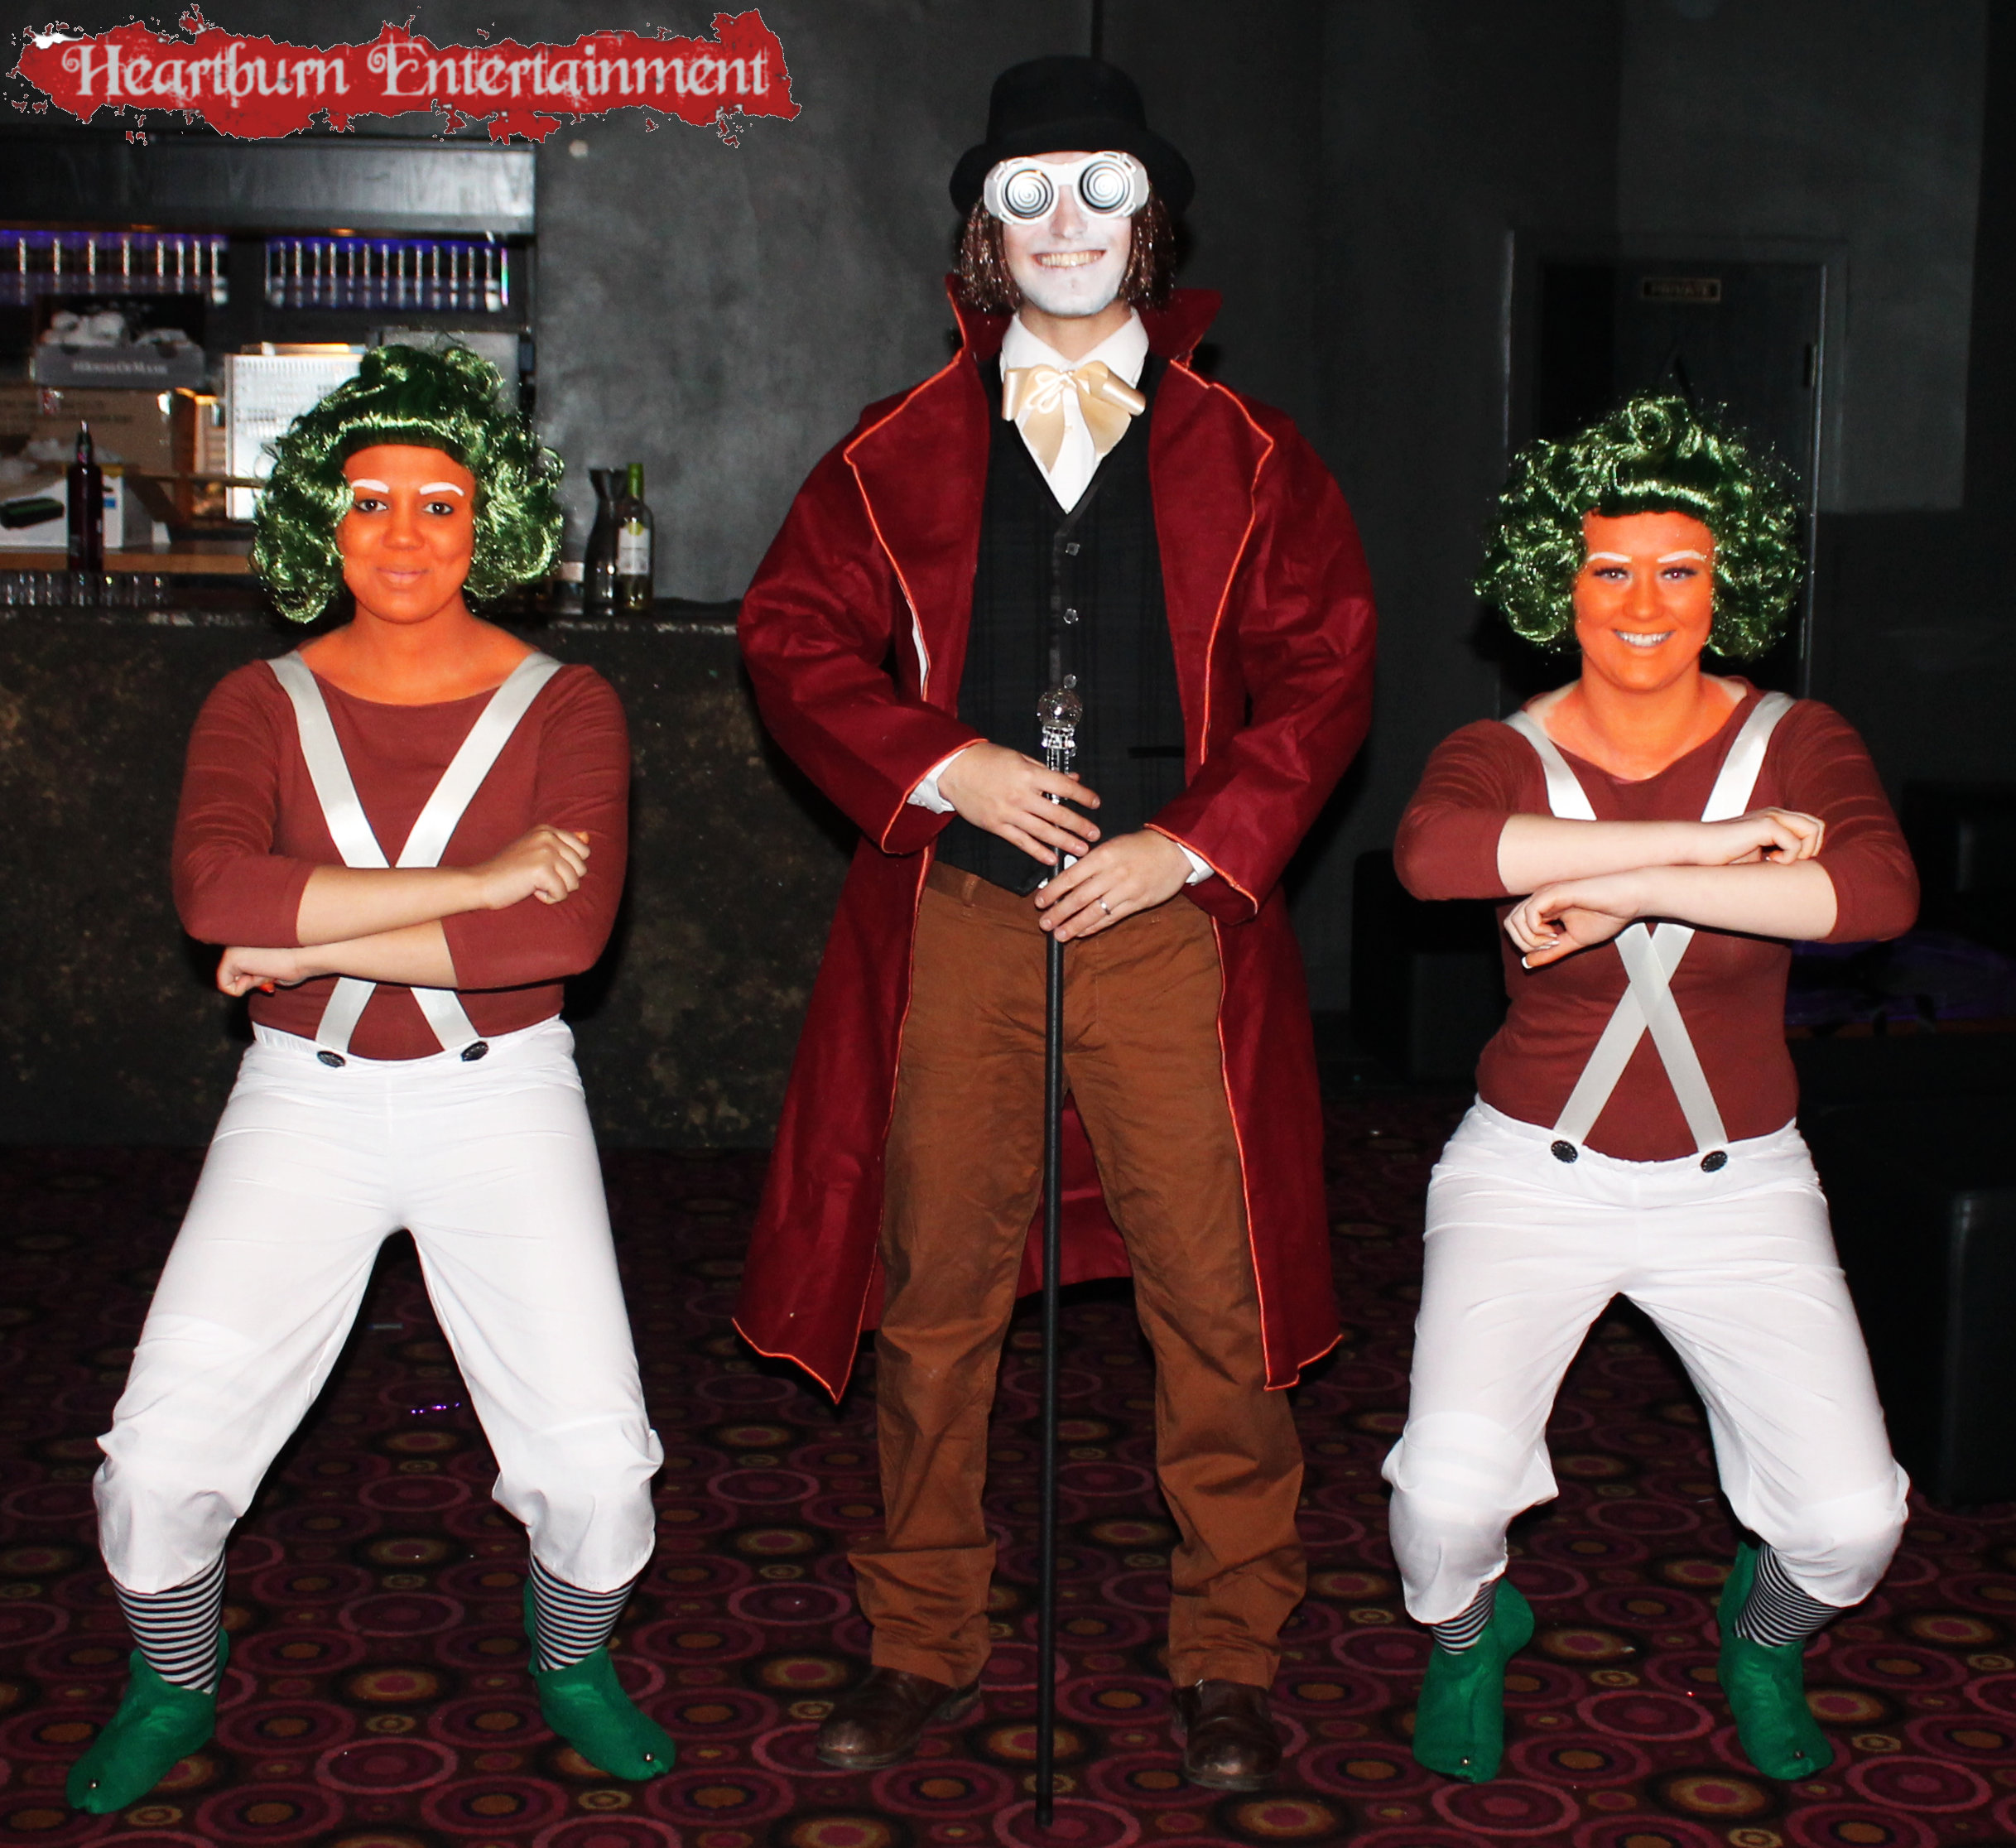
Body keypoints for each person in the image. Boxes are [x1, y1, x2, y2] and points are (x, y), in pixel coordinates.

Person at [734, 55, 1374, 1792]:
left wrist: (1197, 844)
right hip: (960, 922)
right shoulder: (886, 453)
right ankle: (919, 1638)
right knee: (936, 1297)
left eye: (1102, 189)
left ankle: (1227, 1649)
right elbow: (791, 637)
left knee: (1214, 1303)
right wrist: (940, 763)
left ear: (1150, 224)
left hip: (1171, 931)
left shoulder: (1254, 454)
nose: (1066, 222)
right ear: (982, 231)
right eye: (1028, 193)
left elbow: (1324, 675)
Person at [66, 345, 671, 1812]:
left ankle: (572, 1657)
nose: (403, 534)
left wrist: (299, 939)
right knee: (160, 1461)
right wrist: (475, 881)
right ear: (319, 521)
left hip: (502, 1092)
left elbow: (564, 938)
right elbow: (215, 894)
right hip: (305, 1097)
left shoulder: (570, 704)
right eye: (368, 500)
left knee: (597, 1472)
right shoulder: (256, 698)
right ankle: (172, 1677)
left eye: (440, 503)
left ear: (490, 522)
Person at [1387, 393, 1915, 1784]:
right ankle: (1469, 1640)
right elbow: (1434, 858)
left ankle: (1762, 1634)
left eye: (1678, 569)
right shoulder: (1502, 751)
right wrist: (1721, 848)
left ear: (1725, 581)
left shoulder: (1796, 738)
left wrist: (1620, 889)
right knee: (1439, 1509)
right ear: (1552, 585)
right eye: (1606, 568)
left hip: (1738, 1183)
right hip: (1525, 1176)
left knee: (1851, 1523)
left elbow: (1872, 891)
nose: (1641, 603)